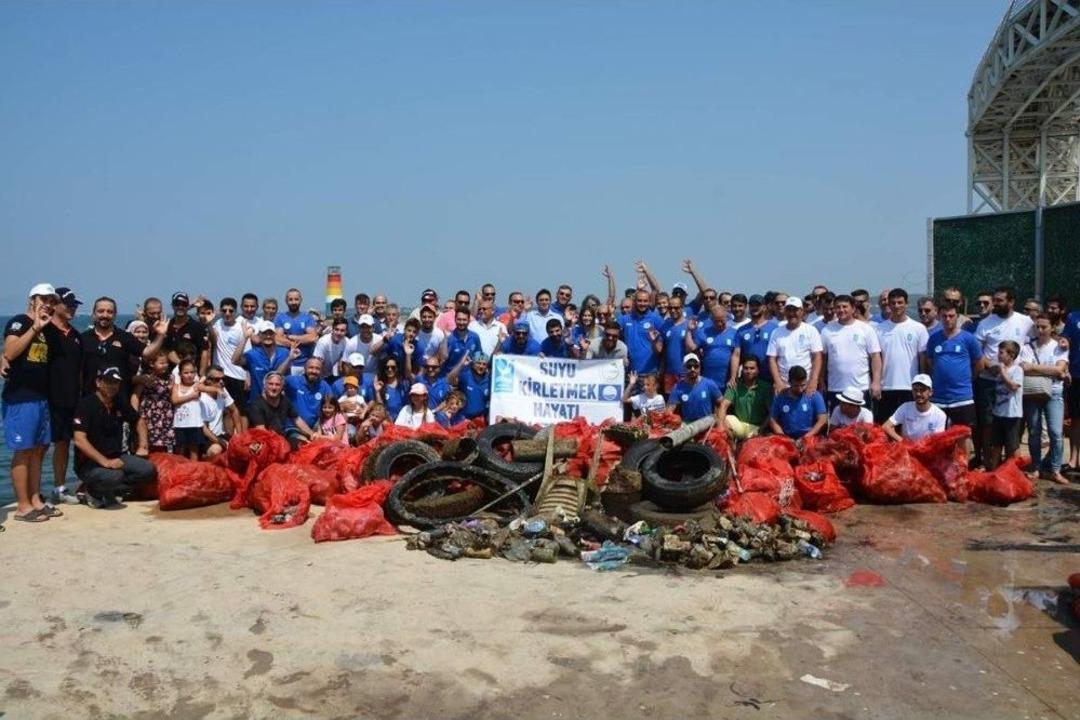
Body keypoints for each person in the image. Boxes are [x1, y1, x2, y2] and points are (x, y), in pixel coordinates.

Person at [3, 284, 62, 522]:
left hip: (40, 397)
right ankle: (23, 506)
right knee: (23, 450)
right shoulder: (19, 322)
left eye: (51, 301)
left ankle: (35, 499)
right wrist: (34, 328)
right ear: (32, 300)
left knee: (39, 449)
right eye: (44, 299)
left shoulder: (48, 329)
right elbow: (10, 352)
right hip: (21, 397)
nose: (48, 304)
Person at [72, 366, 156, 508]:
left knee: (148, 470)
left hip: (117, 456)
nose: (113, 386)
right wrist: (105, 462)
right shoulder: (85, 405)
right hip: (89, 463)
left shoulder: (119, 402)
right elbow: (79, 440)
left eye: (116, 383)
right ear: (98, 382)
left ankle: (108, 491)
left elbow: (139, 421)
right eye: (109, 382)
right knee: (115, 476)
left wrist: (143, 445)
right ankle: (93, 491)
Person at [973, 286, 1034, 469]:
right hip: (989, 381)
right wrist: (989, 365)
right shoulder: (985, 323)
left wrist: (1026, 362)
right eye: (995, 300)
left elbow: (1034, 343)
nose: (996, 304)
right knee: (988, 424)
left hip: (1012, 382)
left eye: (1000, 300)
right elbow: (977, 351)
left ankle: (1010, 467)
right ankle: (988, 463)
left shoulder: (1025, 322)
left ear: (1011, 302)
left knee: (1013, 424)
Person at [44, 287, 86, 506]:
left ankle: (60, 487)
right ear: (55, 304)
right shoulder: (44, 330)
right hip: (48, 398)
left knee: (64, 443)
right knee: (40, 445)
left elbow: (79, 371)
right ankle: (34, 491)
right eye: (68, 304)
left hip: (71, 399)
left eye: (75, 304)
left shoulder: (76, 336)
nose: (72, 308)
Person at [82, 296, 167, 401]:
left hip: (119, 401)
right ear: (94, 313)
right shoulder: (82, 338)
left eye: (109, 312)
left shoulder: (124, 337)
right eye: (101, 311)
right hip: (90, 399)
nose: (105, 315)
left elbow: (147, 353)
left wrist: (161, 335)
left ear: (115, 315)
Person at [1019, 314, 1069, 484]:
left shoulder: (1059, 347)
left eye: (1044, 327)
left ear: (1052, 328)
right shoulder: (1027, 347)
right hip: (1032, 392)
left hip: (1054, 392)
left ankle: (1055, 469)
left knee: (1056, 432)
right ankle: (1036, 467)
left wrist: (1034, 367)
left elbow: (1060, 369)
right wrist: (1051, 370)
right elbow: (1024, 369)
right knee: (1034, 432)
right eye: (1037, 327)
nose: (1040, 330)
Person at [874, 288, 929, 424]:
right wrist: (877, 383)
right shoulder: (879, 329)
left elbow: (923, 359)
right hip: (886, 387)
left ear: (907, 304)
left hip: (910, 388)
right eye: (893, 303)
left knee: (909, 428)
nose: (896, 306)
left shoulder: (918, 328)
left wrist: (922, 384)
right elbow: (877, 359)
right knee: (885, 428)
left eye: (900, 302)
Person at [926, 301, 983, 429]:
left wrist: (968, 379)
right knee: (939, 437)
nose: (947, 319)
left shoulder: (968, 338)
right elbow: (930, 364)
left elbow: (979, 364)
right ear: (939, 317)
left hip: (962, 397)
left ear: (957, 316)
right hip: (938, 397)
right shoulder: (933, 339)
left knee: (964, 435)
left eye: (951, 316)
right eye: (944, 316)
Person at [819, 293, 882, 409]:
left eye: (844, 306)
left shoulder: (866, 329)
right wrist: (821, 381)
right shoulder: (827, 330)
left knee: (862, 426)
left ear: (853, 308)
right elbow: (822, 358)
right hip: (836, 388)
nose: (841, 310)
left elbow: (875, 356)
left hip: (860, 387)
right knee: (837, 425)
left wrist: (876, 382)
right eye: (837, 307)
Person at [766, 296, 823, 394]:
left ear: (801, 311)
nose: (792, 313)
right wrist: (778, 381)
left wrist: (813, 380)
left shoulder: (811, 330)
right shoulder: (776, 332)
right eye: (788, 310)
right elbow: (772, 359)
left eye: (795, 310)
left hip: (806, 386)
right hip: (784, 386)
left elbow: (817, 357)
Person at [233, 320, 294, 407]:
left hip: (278, 404)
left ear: (275, 335)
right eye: (265, 333)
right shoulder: (253, 354)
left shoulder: (285, 353)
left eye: (271, 333)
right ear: (259, 335)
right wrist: (245, 338)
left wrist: (290, 358)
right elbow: (235, 360)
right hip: (257, 403)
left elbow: (282, 376)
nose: (268, 336)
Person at [209, 297, 251, 421]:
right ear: (220, 311)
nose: (227, 313)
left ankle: (244, 438)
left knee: (241, 410)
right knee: (225, 410)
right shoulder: (217, 325)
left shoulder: (241, 328)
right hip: (221, 376)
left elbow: (247, 354)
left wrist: (248, 374)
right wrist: (209, 322)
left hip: (238, 375)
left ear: (235, 311)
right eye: (224, 310)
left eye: (231, 311)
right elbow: (212, 339)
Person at [248, 371, 313, 450]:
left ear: (282, 387)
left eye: (277, 385)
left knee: (305, 445)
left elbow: (297, 419)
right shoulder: (256, 404)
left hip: (281, 439)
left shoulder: (285, 400)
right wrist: (280, 445)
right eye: (270, 384)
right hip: (263, 442)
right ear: (265, 386)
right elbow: (261, 430)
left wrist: (312, 434)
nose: (274, 388)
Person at [988, 340, 1023, 470]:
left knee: (1012, 446)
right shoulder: (998, 369)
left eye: (1001, 353)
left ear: (1011, 355)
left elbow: (1013, 386)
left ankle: (1015, 472)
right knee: (996, 445)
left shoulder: (1017, 370)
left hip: (1011, 414)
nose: (999, 355)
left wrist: (1002, 372)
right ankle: (994, 470)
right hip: (998, 413)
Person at [718, 356, 772, 439]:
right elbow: (723, 406)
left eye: (752, 368)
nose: (748, 371)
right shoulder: (735, 384)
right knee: (722, 419)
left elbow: (771, 413)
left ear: (758, 370)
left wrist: (761, 430)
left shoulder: (766, 387)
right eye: (746, 368)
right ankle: (732, 445)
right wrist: (720, 427)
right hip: (740, 424)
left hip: (757, 428)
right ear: (742, 370)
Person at [883, 374, 948, 442]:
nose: (918, 394)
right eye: (915, 390)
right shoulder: (905, 407)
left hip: (928, 450)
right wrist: (903, 442)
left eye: (922, 390)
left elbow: (937, 441)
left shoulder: (940, 415)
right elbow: (886, 426)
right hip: (907, 450)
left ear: (930, 392)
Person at [767, 365, 827, 440]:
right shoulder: (780, 396)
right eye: (796, 386)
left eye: (803, 385)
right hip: (786, 437)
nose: (800, 389)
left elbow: (822, 420)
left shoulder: (814, 395)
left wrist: (805, 438)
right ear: (789, 382)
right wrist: (785, 438)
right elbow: (773, 420)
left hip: (810, 437)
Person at [133, 352, 175, 452]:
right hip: (150, 414)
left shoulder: (171, 377)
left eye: (166, 363)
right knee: (150, 442)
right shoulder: (146, 378)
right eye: (162, 363)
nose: (165, 365)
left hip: (166, 414)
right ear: (152, 364)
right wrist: (134, 415)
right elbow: (135, 396)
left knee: (164, 444)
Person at [667, 354, 723, 423]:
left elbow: (721, 403)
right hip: (688, 426)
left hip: (706, 424)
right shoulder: (678, 387)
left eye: (696, 366)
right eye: (689, 366)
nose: (692, 369)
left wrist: (717, 420)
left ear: (699, 367)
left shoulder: (709, 384)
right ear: (684, 368)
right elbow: (670, 410)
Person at [275, 288, 319, 375]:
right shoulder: (280, 317)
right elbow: (277, 339)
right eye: (290, 299)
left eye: (296, 299)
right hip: (286, 363)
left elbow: (312, 338)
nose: (293, 302)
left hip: (304, 364)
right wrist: (302, 340)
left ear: (301, 300)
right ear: (286, 301)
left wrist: (289, 337)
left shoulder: (307, 317)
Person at [198, 366, 239, 457]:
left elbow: (234, 410)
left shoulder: (222, 390)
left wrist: (239, 435)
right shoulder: (203, 399)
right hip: (207, 438)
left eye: (223, 379)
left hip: (222, 434)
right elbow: (204, 429)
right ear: (208, 381)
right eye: (217, 379)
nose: (221, 382)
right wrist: (222, 442)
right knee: (216, 450)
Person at [163, 292, 209, 372]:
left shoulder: (198, 327)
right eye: (177, 304)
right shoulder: (166, 326)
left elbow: (204, 352)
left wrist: (201, 375)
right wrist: (183, 366)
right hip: (171, 374)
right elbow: (167, 349)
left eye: (184, 304)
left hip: (192, 375)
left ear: (187, 306)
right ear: (172, 306)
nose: (180, 307)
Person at [284, 357, 334, 431]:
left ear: (321, 371)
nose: (314, 371)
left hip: (316, 427)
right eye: (311, 367)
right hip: (293, 427)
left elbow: (333, 405)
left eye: (317, 368)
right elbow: (274, 378)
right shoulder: (293, 381)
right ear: (304, 368)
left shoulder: (324, 385)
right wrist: (289, 358)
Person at [171, 359, 206, 460]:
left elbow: (206, 385)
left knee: (194, 451)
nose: (189, 375)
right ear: (180, 374)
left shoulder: (197, 385)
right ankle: (179, 472)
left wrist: (216, 389)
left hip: (195, 424)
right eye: (186, 373)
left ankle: (193, 472)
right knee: (180, 451)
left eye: (192, 372)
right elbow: (174, 400)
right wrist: (191, 396)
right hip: (180, 424)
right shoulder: (176, 387)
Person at [1061, 301, 1080, 474]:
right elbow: (1065, 339)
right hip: (1076, 374)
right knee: (1076, 419)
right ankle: (1074, 460)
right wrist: (1064, 343)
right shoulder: (1073, 317)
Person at [660, 294, 690, 393]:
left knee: (686, 404)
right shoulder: (665, 326)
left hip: (686, 373)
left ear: (682, 308)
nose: (673, 310)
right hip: (669, 374)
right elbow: (662, 351)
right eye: (670, 308)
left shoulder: (689, 325)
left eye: (676, 308)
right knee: (670, 403)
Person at [374, 356, 409, 420]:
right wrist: (377, 392)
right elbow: (381, 408)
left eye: (393, 367)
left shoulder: (404, 383)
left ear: (397, 368)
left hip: (404, 421)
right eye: (387, 367)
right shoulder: (381, 386)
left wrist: (408, 355)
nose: (390, 370)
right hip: (388, 421)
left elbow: (409, 373)